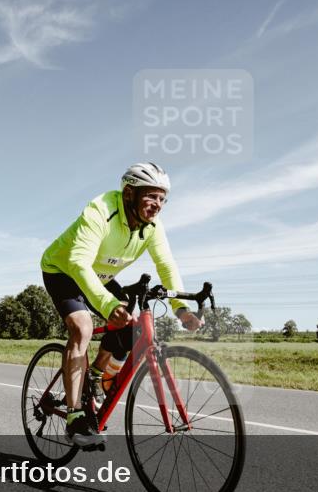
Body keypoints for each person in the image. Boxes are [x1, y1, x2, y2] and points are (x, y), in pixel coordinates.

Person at [40, 163, 202, 447]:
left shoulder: (152, 226)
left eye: (163, 199)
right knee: (83, 327)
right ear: (129, 193)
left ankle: (95, 376)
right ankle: (75, 416)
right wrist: (107, 304)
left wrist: (181, 308)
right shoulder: (100, 209)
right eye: (151, 197)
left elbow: (166, 264)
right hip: (64, 270)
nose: (158, 205)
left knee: (130, 329)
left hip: (100, 276)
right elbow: (79, 263)